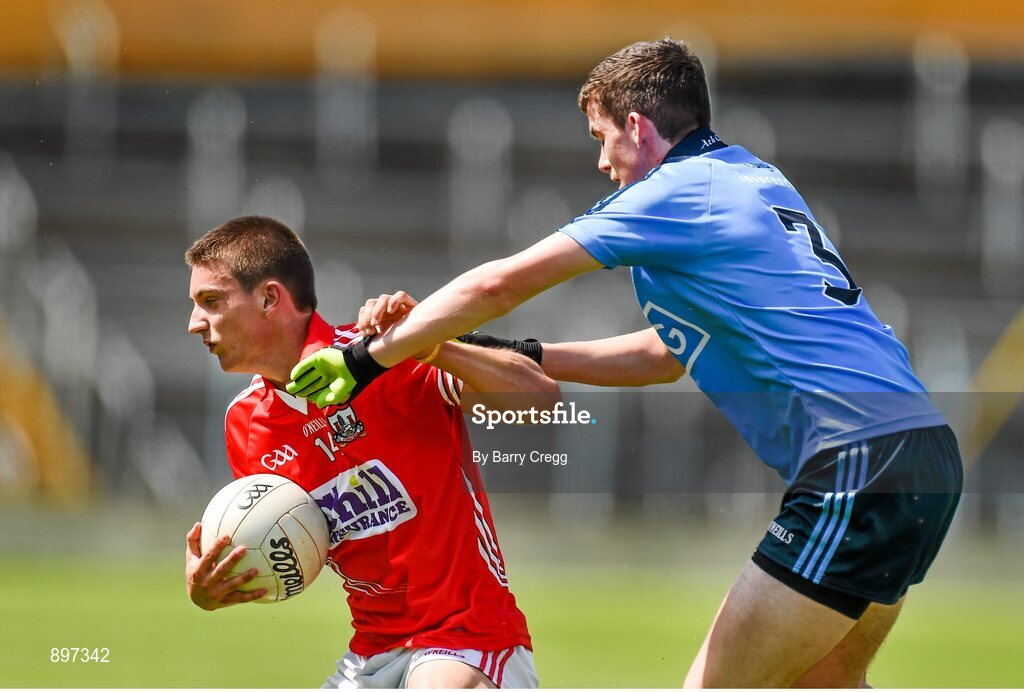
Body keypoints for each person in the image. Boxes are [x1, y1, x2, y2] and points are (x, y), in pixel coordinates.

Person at [286, 39, 964, 687]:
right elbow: (665, 356)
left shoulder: (676, 192)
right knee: (826, 684)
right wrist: (515, 353)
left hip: (857, 466)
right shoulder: (750, 176)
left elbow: (501, 284)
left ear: (637, 127)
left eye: (600, 136)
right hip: (923, 455)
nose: (602, 161)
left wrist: (368, 359)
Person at [183, 215, 556, 689]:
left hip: (470, 637)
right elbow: (302, 549)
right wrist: (224, 580)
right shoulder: (244, 425)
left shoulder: (382, 354)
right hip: (371, 653)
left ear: (269, 298)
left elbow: (542, 400)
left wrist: (424, 344)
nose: (195, 323)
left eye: (211, 302)